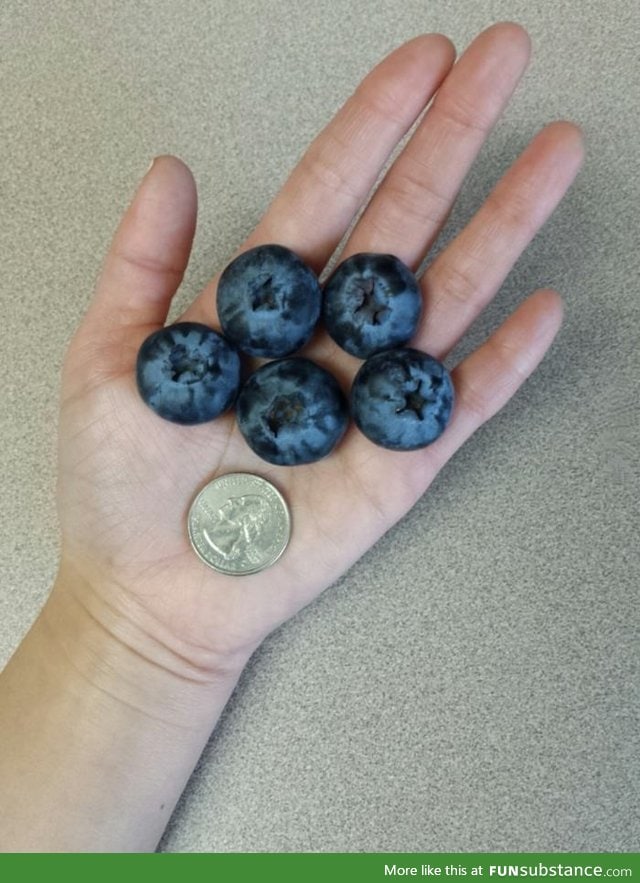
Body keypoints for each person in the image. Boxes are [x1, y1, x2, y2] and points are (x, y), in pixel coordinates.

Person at [0, 21, 584, 852]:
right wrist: (120, 626)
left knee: (406, 388)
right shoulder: (253, 379)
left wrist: (121, 634)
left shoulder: (311, 371)